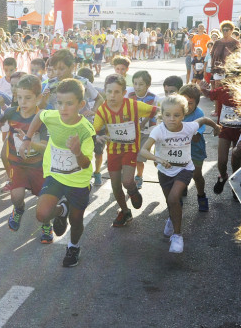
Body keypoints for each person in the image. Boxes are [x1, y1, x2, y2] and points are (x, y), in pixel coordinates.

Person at [20, 78, 95, 266]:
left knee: (76, 220)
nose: (63, 108)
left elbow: (85, 164)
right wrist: (28, 138)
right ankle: (62, 210)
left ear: (81, 104)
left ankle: (73, 246)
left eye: (69, 103)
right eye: (60, 103)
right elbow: (39, 115)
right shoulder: (52, 116)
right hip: (55, 174)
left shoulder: (85, 130)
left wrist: (77, 152)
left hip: (78, 179)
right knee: (42, 214)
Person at [140, 95, 219, 253]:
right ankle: (172, 219)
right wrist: (158, 159)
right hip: (164, 171)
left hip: (184, 169)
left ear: (184, 115)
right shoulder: (159, 130)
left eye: (177, 115)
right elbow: (143, 150)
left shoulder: (189, 127)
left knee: (174, 197)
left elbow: (203, 119)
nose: (172, 119)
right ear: (162, 114)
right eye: (167, 115)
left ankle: (177, 236)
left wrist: (216, 126)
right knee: (171, 202)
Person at [0, 74, 47, 232]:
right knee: (16, 197)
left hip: (38, 166)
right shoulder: (12, 112)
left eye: (28, 98)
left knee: (44, 201)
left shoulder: (43, 118)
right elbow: (1, 120)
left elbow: (45, 147)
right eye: (19, 97)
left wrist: (29, 143)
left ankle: (47, 224)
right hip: (17, 164)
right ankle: (19, 209)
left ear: (38, 98)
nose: (23, 102)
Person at [94, 74, 157, 227]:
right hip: (113, 151)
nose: (112, 95)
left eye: (117, 92)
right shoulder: (102, 110)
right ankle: (125, 211)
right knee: (115, 186)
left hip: (130, 148)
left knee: (127, 180)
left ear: (124, 93)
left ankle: (133, 191)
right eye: (109, 92)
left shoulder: (133, 105)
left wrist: (142, 126)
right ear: (105, 91)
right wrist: (96, 136)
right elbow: (94, 129)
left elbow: (155, 111)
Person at [179, 84, 210, 211]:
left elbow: (196, 137)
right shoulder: (176, 111)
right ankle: (181, 191)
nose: (186, 106)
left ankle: (201, 196)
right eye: (183, 102)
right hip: (180, 151)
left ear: (197, 103)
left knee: (196, 175)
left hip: (195, 150)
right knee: (179, 174)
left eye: (190, 103)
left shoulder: (199, 114)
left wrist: (181, 131)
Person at [128, 71, 158, 189]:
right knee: (130, 157)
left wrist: (142, 123)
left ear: (147, 85)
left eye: (141, 84)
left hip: (146, 131)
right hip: (131, 131)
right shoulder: (129, 95)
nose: (137, 87)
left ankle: (139, 176)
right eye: (135, 83)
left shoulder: (153, 97)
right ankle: (128, 177)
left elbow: (153, 113)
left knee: (140, 157)